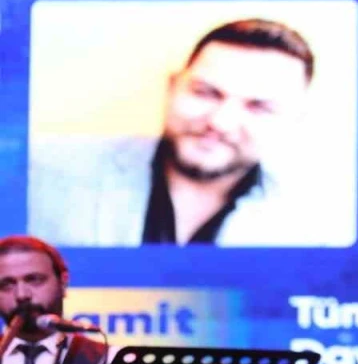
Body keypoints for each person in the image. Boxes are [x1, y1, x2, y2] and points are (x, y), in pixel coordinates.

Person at [28, 18, 342, 247]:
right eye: (205, 92)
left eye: (258, 107)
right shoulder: (42, 171)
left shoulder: (314, 230)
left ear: (293, 122)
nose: (221, 122)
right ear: (172, 88)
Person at [0, 235, 111, 364]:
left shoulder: (109, 361)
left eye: (34, 279)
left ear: (63, 283)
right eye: (6, 284)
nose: (22, 295)